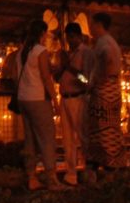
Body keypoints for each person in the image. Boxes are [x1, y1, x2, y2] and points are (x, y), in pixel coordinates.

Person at [16, 20, 62, 190]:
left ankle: (32, 177)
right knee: (47, 138)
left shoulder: (22, 51)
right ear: (42, 33)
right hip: (38, 99)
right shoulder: (40, 51)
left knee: (30, 139)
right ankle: (51, 177)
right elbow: (45, 77)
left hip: (23, 99)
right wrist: (55, 99)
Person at [86, 12, 127, 182]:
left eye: (91, 24)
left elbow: (108, 60)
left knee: (106, 129)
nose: (89, 27)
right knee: (102, 129)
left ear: (98, 24)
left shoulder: (106, 43)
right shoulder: (105, 42)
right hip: (107, 89)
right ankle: (103, 164)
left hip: (105, 91)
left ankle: (110, 165)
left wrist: (99, 79)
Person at [57, 23, 94, 186]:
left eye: (72, 37)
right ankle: (70, 174)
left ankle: (89, 172)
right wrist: (59, 68)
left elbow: (87, 80)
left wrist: (69, 68)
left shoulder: (86, 53)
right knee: (67, 139)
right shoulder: (67, 54)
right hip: (64, 98)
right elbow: (58, 78)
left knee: (83, 137)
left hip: (78, 98)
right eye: (67, 37)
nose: (69, 40)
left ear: (79, 36)